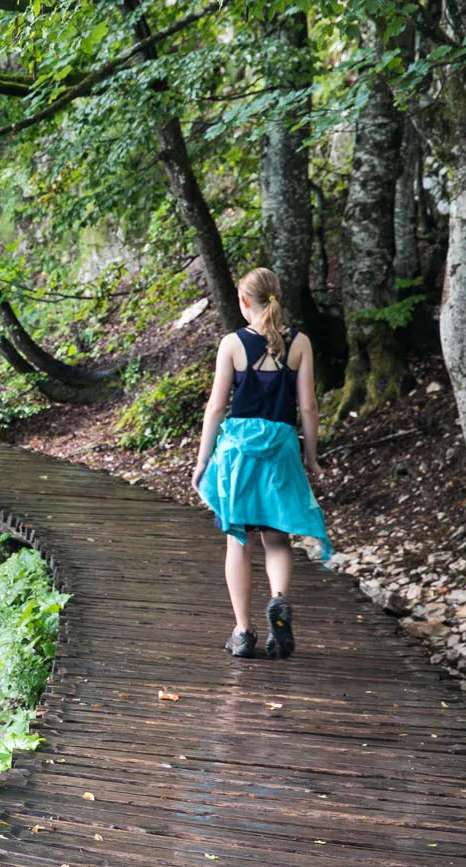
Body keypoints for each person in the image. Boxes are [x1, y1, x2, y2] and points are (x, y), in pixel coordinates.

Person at [191, 267, 331, 660]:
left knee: (239, 540)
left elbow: (217, 406)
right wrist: (311, 455)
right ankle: (279, 601)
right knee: (276, 538)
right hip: (282, 446)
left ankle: (243, 631)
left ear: (243, 302)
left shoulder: (232, 344)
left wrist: (202, 461)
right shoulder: (300, 343)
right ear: (278, 298)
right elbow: (308, 405)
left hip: (238, 453)